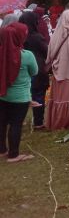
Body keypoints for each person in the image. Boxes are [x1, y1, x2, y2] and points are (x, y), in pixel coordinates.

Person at [0, 23, 37, 162]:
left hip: (2, 95)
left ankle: (2, 150)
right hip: (20, 97)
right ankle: (14, 154)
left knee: (2, 122)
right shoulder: (26, 56)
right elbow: (35, 71)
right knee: (16, 124)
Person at [45, 10, 69, 131]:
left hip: (59, 73)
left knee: (59, 99)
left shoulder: (55, 35)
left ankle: (58, 122)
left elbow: (50, 55)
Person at [18, 12, 49, 130]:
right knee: (38, 95)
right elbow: (47, 52)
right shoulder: (37, 37)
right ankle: (38, 122)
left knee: (22, 95)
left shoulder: (19, 36)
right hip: (37, 69)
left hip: (21, 69)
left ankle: (18, 120)